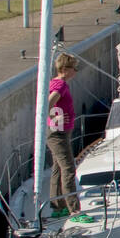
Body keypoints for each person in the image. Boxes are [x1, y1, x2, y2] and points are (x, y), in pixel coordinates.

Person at [46, 53, 80, 216]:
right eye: (74, 68)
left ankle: (58, 206)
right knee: (68, 168)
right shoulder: (60, 86)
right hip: (57, 133)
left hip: (60, 132)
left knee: (58, 168)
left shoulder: (58, 83)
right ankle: (74, 209)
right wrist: (55, 116)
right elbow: (47, 104)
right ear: (65, 69)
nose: (76, 72)